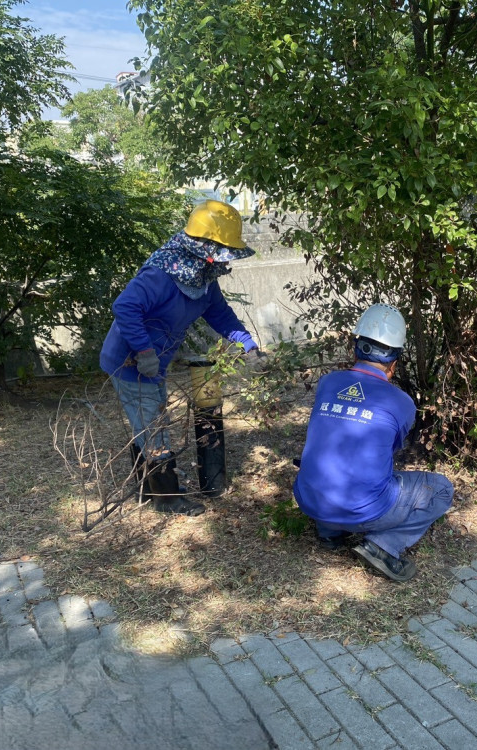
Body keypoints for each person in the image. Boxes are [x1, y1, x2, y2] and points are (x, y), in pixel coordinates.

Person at [100, 199, 260, 516]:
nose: (225, 263)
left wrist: (247, 345)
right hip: (130, 361)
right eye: (223, 252)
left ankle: (148, 490)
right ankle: (167, 499)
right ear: (202, 246)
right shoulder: (160, 275)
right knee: (154, 426)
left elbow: (221, 315)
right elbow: (124, 307)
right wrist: (143, 350)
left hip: (154, 362)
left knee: (149, 419)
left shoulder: (202, 280)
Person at [292, 304, 454, 581]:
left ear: (355, 347)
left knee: (331, 467)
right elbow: (387, 451)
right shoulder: (401, 402)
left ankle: (330, 533)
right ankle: (383, 546)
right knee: (441, 489)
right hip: (364, 510)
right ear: (394, 363)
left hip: (309, 500)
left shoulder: (329, 383)